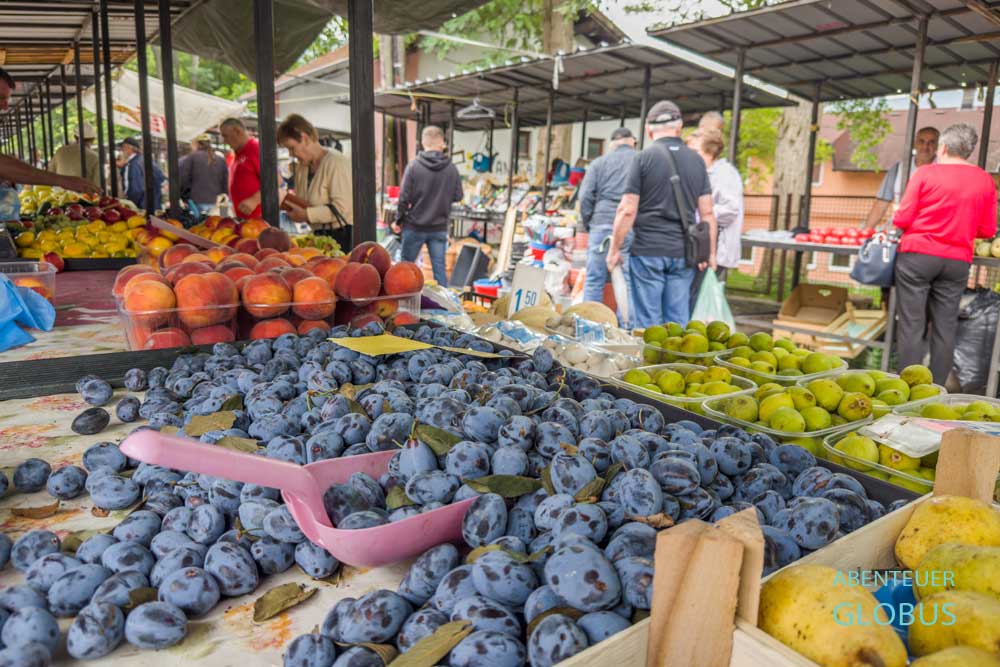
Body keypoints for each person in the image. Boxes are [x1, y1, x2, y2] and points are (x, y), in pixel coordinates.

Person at [892, 123, 997, 385]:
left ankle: (907, 387)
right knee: (945, 326)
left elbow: (903, 218)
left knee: (911, 325)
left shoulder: (925, 173)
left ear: (944, 147)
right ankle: (936, 388)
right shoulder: (985, 179)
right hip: (956, 261)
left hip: (917, 257)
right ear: (969, 151)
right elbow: (986, 229)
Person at [606, 100, 717, 328]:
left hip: (647, 251)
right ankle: (676, 362)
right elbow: (707, 214)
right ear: (679, 129)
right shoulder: (697, 160)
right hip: (683, 252)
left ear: (648, 130)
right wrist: (711, 253)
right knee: (677, 322)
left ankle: (651, 362)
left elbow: (627, 210)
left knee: (648, 324)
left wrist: (614, 249)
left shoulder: (643, 158)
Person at [0, 67, 99, 221]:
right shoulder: (92, 156)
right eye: (0, 98)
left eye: (7, 99)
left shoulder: (62, 151)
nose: (5, 106)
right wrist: (63, 180)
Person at [395, 126, 462, 286]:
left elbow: (404, 198)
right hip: (439, 227)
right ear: (442, 143)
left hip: (414, 226)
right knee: (440, 271)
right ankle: (445, 307)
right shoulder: (451, 168)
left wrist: (399, 221)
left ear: (423, 143)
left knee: (406, 268)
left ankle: (405, 303)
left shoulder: (413, 167)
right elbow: (458, 196)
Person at [579, 127, 637, 309]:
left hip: (601, 223)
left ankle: (589, 323)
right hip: (629, 225)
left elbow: (585, 195)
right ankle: (626, 327)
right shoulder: (641, 161)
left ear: (613, 144)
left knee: (594, 278)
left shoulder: (599, 163)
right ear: (632, 141)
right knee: (626, 279)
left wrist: (589, 222)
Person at [276, 114, 353, 251]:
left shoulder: (336, 162)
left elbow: (342, 209)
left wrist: (306, 215)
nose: (290, 154)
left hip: (342, 240)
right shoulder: (302, 167)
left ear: (305, 138)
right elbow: (305, 202)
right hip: (318, 238)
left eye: (292, 148)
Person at [691, 128, 743, 284]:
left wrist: (700, 212)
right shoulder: (708, 171)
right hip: (706, 244)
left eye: (695, 151)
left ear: (710, 152)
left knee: (696, 295)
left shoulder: (724, 174)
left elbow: (730, 209)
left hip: (717, 248)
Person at [863, 126, 939, 230]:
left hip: (930, 229)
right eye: (921, 141)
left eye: (931, 142)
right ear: (915, 144)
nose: (925, 146)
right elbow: (881, 203)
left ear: (938, 146)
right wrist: (867, 231)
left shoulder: (944, 169)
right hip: (900, 227)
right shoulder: (899, 168)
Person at [219, 117, 262, 219]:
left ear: (237, 131)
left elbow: (275, 181)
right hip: (244, 219)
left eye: (226, 136)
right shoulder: (238, 153)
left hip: (258, 221)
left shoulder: (254, 148)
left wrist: (254, 200)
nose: (224, 141)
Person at [178, 134, 229, 215]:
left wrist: (184, 198)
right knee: (218, 226)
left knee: (200, 226)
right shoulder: (220, 159)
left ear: (197, 144)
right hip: (217, 203)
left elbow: (184, 179)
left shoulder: (191, 158)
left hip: (196, 202)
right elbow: (226, 182)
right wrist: (225, 198)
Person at [118, 136, 165, 212]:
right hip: (154, 205)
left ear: (129, 148)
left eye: (123, 148)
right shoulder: (146, 160)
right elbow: (161, 179)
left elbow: (134, 189)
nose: (122, 150)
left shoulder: (131, 165)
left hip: (140, 207)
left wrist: (131, 205)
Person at [49, 123, 100, 188]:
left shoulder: (60, 151)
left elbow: (50, 172)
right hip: (83, 196)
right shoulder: (95, 157)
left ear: (75, 137)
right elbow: (97, 184)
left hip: (59, 196)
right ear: (93, 139)